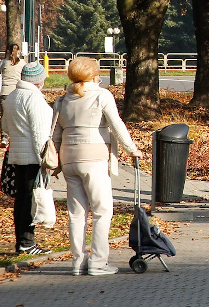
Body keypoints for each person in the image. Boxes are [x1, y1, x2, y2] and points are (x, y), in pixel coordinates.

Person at [52, 56, 141, 276]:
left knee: (76, 213)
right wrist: (132, 148)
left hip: (68, 159)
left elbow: (55, 133)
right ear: (94, 74)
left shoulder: (63, 100)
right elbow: (116, 124)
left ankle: (78, 263)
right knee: (102, 210)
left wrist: (54, 162)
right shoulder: (102, 95)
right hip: (94, 157)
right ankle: (98, 263)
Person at [3, 61, 52, 256]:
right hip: (33, 156)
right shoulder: (34, 99)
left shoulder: (12, 96)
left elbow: (5, 127)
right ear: (38, 80)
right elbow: (40, 134)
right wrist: (45, 160)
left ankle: (20, 241)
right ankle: (27, 242)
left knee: (21, 200)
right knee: (31, 201)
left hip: (16, 154)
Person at [0, 43, 25, 145]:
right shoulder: (22, 63)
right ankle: (16, 136)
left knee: (5, 116)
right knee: (17, 115)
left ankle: (4, 137)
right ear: (19, 52)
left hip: (4, 91)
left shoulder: (3, 63)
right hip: (17, 92)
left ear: (8, 51)